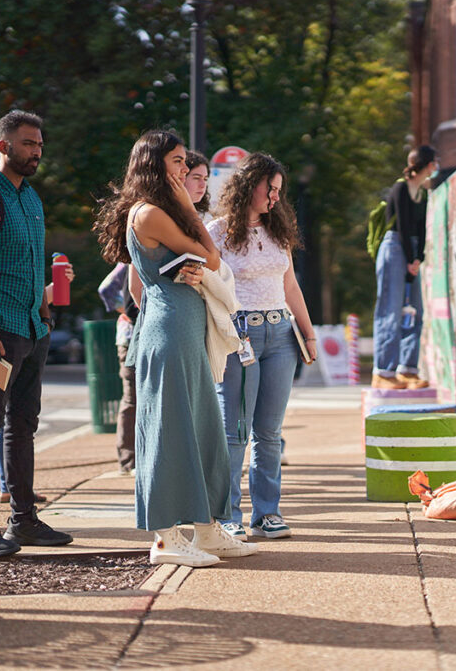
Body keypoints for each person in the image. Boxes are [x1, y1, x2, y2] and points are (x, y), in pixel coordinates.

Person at [94, 129, 257, 567]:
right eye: (178, 161)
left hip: (184, 328)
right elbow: (214, 257)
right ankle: (166, 539)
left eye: (187, 162)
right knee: (168, 431)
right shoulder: (148, 213)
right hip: (167, 330)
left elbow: (205, 261)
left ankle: (206, 529)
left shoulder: (160, 211)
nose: (186, 169)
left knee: (201, 427)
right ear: (154, 164)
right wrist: (187, 204)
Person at [0, 110, 73, 557]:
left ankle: (23, 520)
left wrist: (44, 315)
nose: (37, 151)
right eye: (28, 143)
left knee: (22, 425)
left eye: (40, 144)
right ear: (3, 146)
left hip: (31, 327)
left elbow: (34, 261)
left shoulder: (33, 198)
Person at [209, 152, 318, 541]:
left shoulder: (278, 232)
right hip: (239, 335)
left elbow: (290, 287)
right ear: (247, 185)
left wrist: (308, 333)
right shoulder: (216, 232)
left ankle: (267, 513)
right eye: (269, 189)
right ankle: (226, 515)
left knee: (269, 432)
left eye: (279, 191)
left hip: (281, 336)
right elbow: (207, 287)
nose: (275, 197)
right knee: (235, 430)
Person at [372, 145, 437, 390]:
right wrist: (411, 259)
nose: (435, 167)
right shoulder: (401, 188)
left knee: (414, 310)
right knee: (390, 309)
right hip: (394, 248)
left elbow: (420, 230)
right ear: (427, 164)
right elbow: (403, 226)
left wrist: (418, 258)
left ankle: (408, 369)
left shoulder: (423, 192)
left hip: (410, 253)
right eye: (434, 163)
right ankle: (384, 371)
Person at [98, 261, 138, 474]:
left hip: (135, 335)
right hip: (130, 336)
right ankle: (128, 460)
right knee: (132, 398)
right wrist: (129, 310)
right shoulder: (129, 261)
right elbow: (105, 289)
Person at [185, 150, 212, 222]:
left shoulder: (206, 218)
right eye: (196, 178)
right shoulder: (161, 214)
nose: (203, 185)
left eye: (205, 179)